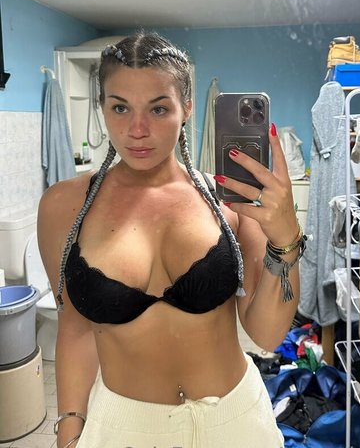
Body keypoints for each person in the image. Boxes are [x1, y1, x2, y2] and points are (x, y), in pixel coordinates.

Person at [38, 31, 305, 448]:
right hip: (124, 428)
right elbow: (75, 328)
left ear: (186, 107)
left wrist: (286, 238)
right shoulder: (65, 206)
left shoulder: (229, 199)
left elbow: (267, 334)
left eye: (158, 108)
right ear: (102, 106)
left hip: (236, 421)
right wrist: (70, 428)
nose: (137, 129)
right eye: (120, 107)